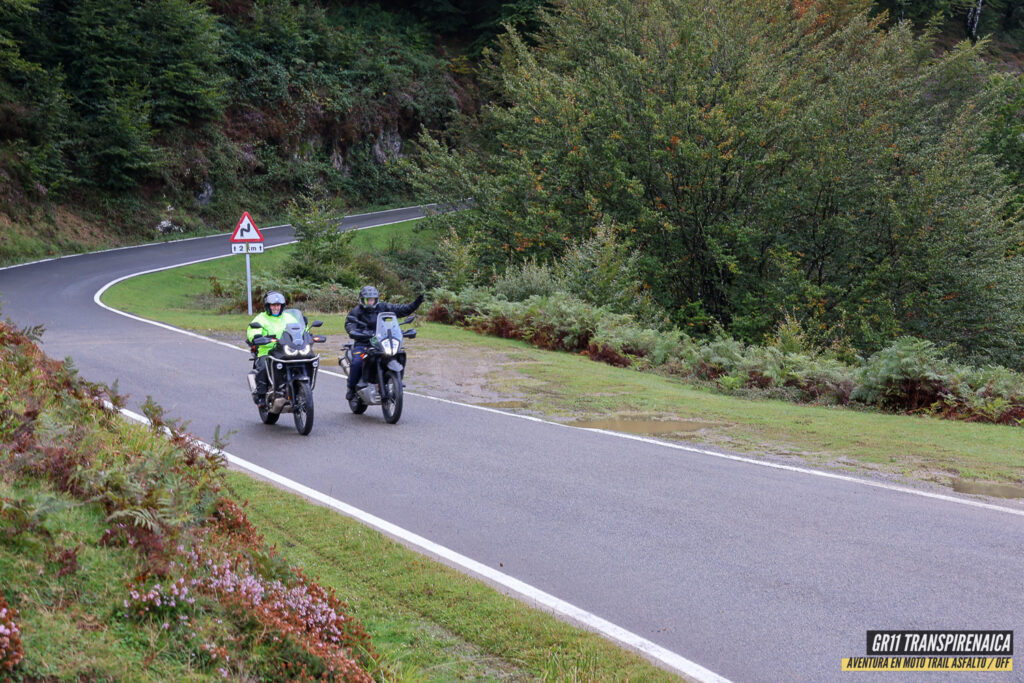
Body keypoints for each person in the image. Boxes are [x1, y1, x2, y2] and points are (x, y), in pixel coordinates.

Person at [345, 285, 423, 400]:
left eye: (373, 299)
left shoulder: (383, 307)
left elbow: (402, 310)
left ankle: (397, 380)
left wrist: (416, 303)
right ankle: (351, 388)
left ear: (376, 299)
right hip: (363, 344)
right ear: (362, 300)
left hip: (381, 342)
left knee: (399, 354)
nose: (370, 302)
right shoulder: (356, 312)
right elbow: (349, 324)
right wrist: (354, 331)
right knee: (357, 361)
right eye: (368, 300)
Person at [247, 290, 288, 409]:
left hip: (286, 351)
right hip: (267, 351)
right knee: (264, 366)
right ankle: (261, 395)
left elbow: (300, 327)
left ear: (282, 306)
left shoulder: (288, 317)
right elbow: (252, 329)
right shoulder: (261, 318)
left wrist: (308, 334)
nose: (276, 308)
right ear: (268, 306)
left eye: (278, 305)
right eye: (273, 305)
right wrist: (257, 337)